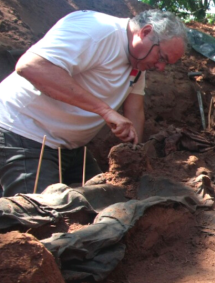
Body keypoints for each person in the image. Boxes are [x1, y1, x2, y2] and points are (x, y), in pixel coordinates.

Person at [0, 9, 187, 197]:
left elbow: (134, 109)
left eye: (166, 64)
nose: (160, 68)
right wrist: (104, 110)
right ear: (145, 33)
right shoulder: (96, 30)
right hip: (22, 134)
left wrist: (135, 155)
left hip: (71, 149)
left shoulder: (138, 60)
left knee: (107, 202)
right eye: (161, 58)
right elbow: (32, 67)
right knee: (37, 218)